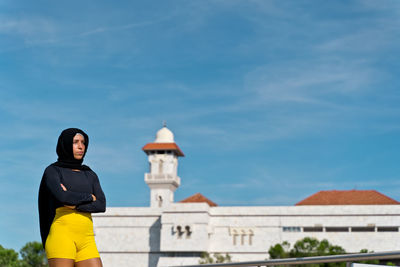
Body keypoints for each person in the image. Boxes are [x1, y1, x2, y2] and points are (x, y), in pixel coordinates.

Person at [38, 128, 106, 267]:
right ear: (66, 144)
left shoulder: (89, 174)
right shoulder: (53, 171)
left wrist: (74, 204)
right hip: (62, 236)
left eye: (83, 143)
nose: (81, 146)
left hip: (87, 239)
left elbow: (101, 205)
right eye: (75, 142)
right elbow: (63, 197)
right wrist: (89, 197)